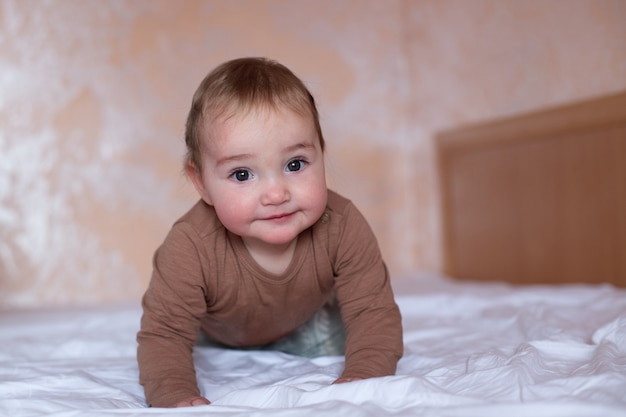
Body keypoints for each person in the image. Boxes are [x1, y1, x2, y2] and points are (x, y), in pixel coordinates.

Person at [136, 57, 403, 408]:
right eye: (242, 174)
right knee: (176, 347)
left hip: (310, 326)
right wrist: (173, 393)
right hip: (219, 336)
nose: (276, 194)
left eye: (295, 165)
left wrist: (364, 374)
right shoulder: (190, 246)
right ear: (201, 182)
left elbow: (373, 311)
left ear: (321, 155)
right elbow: (165, 334)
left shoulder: (342, 225)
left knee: (357, 332)